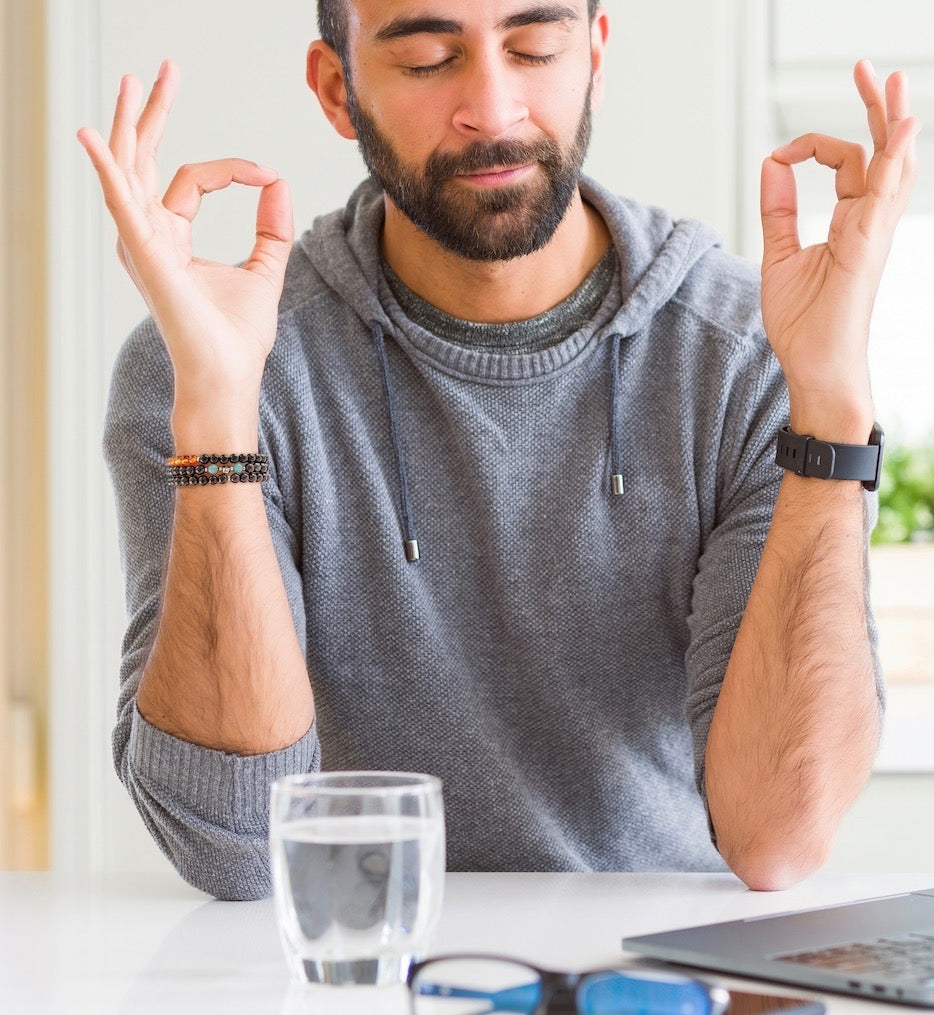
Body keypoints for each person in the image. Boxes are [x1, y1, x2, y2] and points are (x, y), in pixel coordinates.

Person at [77, 1, 918, 902]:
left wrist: (827, 403)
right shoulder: (219, 361)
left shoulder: (749, 355)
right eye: (432, 59)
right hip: (358, 969)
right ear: (337, 89)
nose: (493, 107)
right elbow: (234, 846)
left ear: (593, 55)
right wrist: (215, 411)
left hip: (650, 978)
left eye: (534, 48)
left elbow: (777, 839)